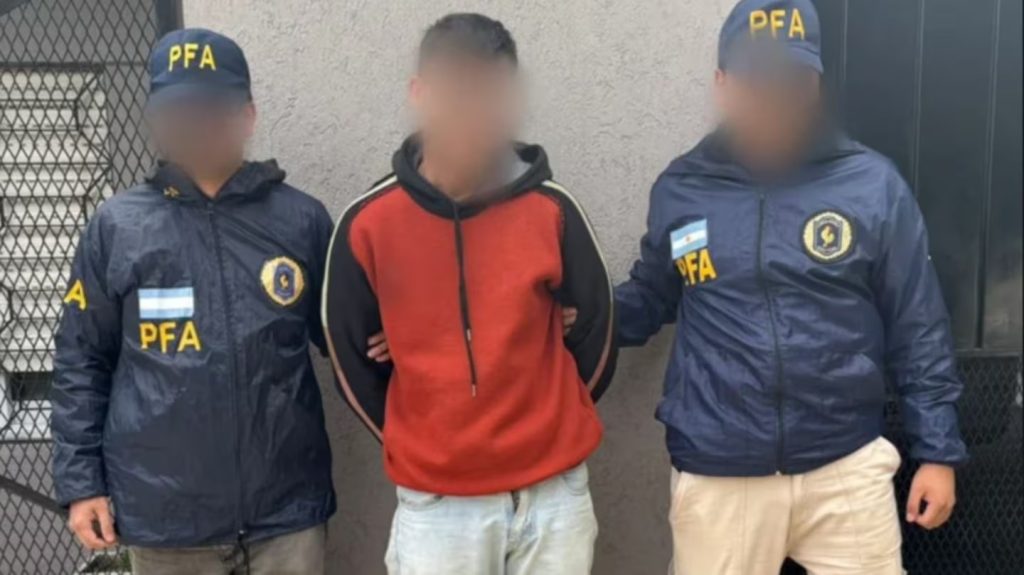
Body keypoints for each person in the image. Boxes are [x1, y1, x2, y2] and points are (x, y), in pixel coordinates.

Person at [615, 1, 967, 573]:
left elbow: (917, 323)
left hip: (845, 468)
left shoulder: (871, 184)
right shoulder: (683, 188)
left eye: (791, 81)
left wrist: (938, 450)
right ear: (723, 84)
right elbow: (651, 295)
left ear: (814, 85)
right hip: (720, 473)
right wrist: (583, 316)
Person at [321, 13, 616, 575]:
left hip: (552, 497)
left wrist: (553, 416)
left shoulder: (552, 209)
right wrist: (422, 440)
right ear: (420, 94)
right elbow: (350, 359)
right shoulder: (369, 224)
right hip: (439, 508)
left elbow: (598, 330)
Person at [51, 28, 336, 574]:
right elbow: (81, 360)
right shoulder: (117, 226)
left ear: (246, 116)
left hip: (286, 515)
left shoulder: (301, 220)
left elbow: (355, 344)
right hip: (165, 523)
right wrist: (81, 483)